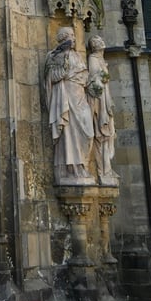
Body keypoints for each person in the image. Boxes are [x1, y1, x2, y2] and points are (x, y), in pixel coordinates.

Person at [44, 26, 95, 184]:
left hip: (79, 97)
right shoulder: (54, 55)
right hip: (66, 98)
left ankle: (83, 165)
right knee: (69, 132)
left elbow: (85, 75)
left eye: (74, 35)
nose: (73, 38)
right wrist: (64, 67)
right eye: (70, 35)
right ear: (63, 38)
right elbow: (51, 77)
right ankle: (72, 169)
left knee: (88, 131)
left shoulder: (78, 56)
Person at [87, 34, 118, 185]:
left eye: (100, 40)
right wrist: (102, 78)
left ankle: (106, 169)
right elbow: (94, 81)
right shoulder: (93, 59)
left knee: (108, 134)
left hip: (105, 100)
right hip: (99, 102)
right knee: (102, 133)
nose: (100, 42)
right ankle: (103, 171)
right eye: (95, 42)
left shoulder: (100, 60)